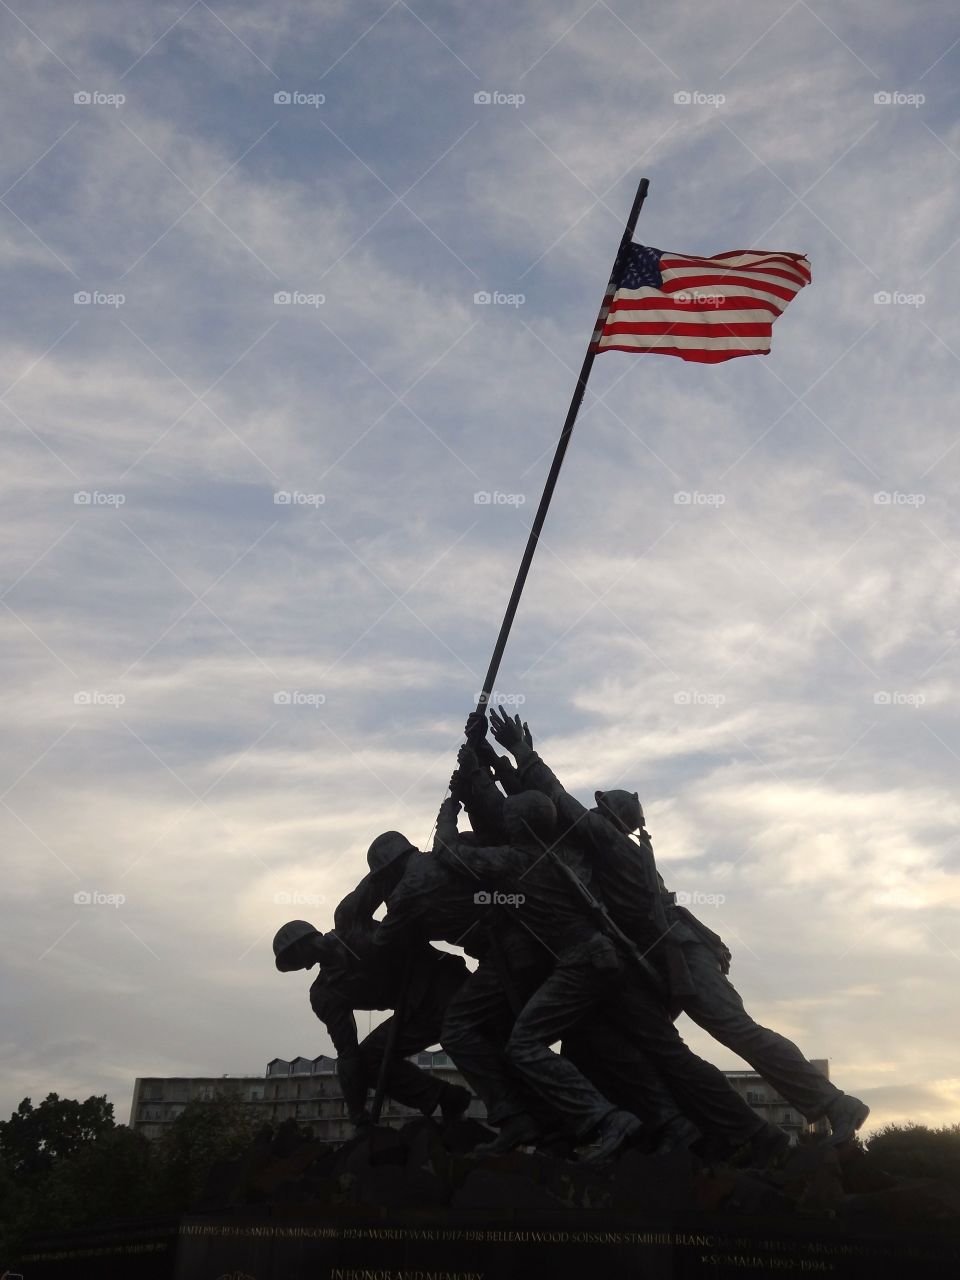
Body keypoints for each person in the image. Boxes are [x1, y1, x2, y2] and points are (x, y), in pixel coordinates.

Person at [486, 706, 870, 1146]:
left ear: (607, 817)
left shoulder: (609, 841)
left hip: (680, 951)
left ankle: (834, 1104)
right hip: (661, 956)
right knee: (659, 1046)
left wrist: (521, 752)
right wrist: (507, 766)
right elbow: (547, 815)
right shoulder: (616, 846)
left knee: (735, 1029)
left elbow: (559, 801)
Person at [273, 875, 470, 1131]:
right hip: (416, 1012)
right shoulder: (325, 994)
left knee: (473, 1039)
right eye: (292, 963)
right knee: (368, 1061)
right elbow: (348, 1054)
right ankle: (446, 1098)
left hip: (443, 982)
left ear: (305, 940)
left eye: (294, 955)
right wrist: (357, 1113)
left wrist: (406, 909)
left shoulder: (349, 917)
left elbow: (386, 874)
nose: (297, 963)